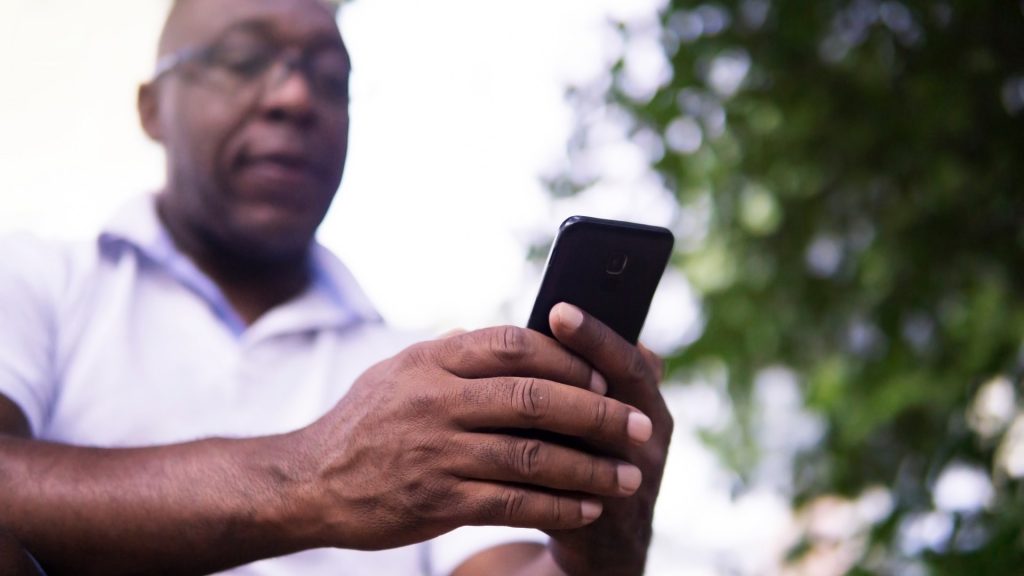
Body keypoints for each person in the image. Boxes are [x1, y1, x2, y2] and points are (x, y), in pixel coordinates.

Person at [0, 0, 673, 574]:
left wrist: (603, 550)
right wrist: (310, 477)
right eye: (241, 60)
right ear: (152, 107)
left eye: (330, 79)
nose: (296, 97)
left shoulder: (425, 377)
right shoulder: (37, 280)